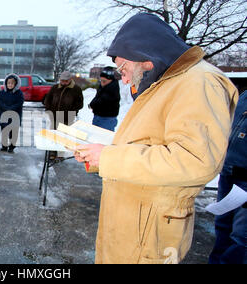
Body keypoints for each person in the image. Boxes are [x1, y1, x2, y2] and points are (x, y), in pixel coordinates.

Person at [74, 13, 238, 264]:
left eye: (124, 69)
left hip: (150, 228)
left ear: (147, 60)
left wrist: (109, 157)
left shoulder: (199, 82)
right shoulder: (167, 82)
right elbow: (149, 141)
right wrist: (99, 157)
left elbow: (195, 160)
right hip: (136, 218)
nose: (125, 78)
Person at [209, 90, 246, 264]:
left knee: (241, 239)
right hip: (229, 173)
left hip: (245, 181)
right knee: (223, 230)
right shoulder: (245, 96)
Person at [43, 70, 83, 159]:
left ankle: (60, 154)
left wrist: (72, 111)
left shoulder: (76, 89)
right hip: (54, 116)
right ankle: (52, 153)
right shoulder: (55, 88)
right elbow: (48, 99)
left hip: (67, 117)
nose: (64, 83)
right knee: (54, 135)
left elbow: (80, 104)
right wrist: (48, 109)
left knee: (63, 137)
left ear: (70, 80)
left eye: (66, 81)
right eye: (62, 81)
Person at [0, 74, 24, 153]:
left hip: (15, 115)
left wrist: (11, 108)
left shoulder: (19, 93)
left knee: (13, 132)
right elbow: (0, 101)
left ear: (15, 84)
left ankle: (12, 146)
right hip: (4, 115)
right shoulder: (3, 92)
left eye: (12, 83)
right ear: (6, 84)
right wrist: (6, 108)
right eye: (8, 83)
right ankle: (4, 146)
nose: (10, 85)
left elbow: (20, 102)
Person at [89, 67, 121, 131]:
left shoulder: (112, 88)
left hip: (107, 119)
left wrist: (93, 104)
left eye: (104, 81)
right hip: (98, 116)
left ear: (110, 80)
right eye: (101, 80)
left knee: (104, 138)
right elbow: (97, 97)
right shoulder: (103, 86)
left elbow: (102, 100)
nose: (102, 83)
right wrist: (92, 104)